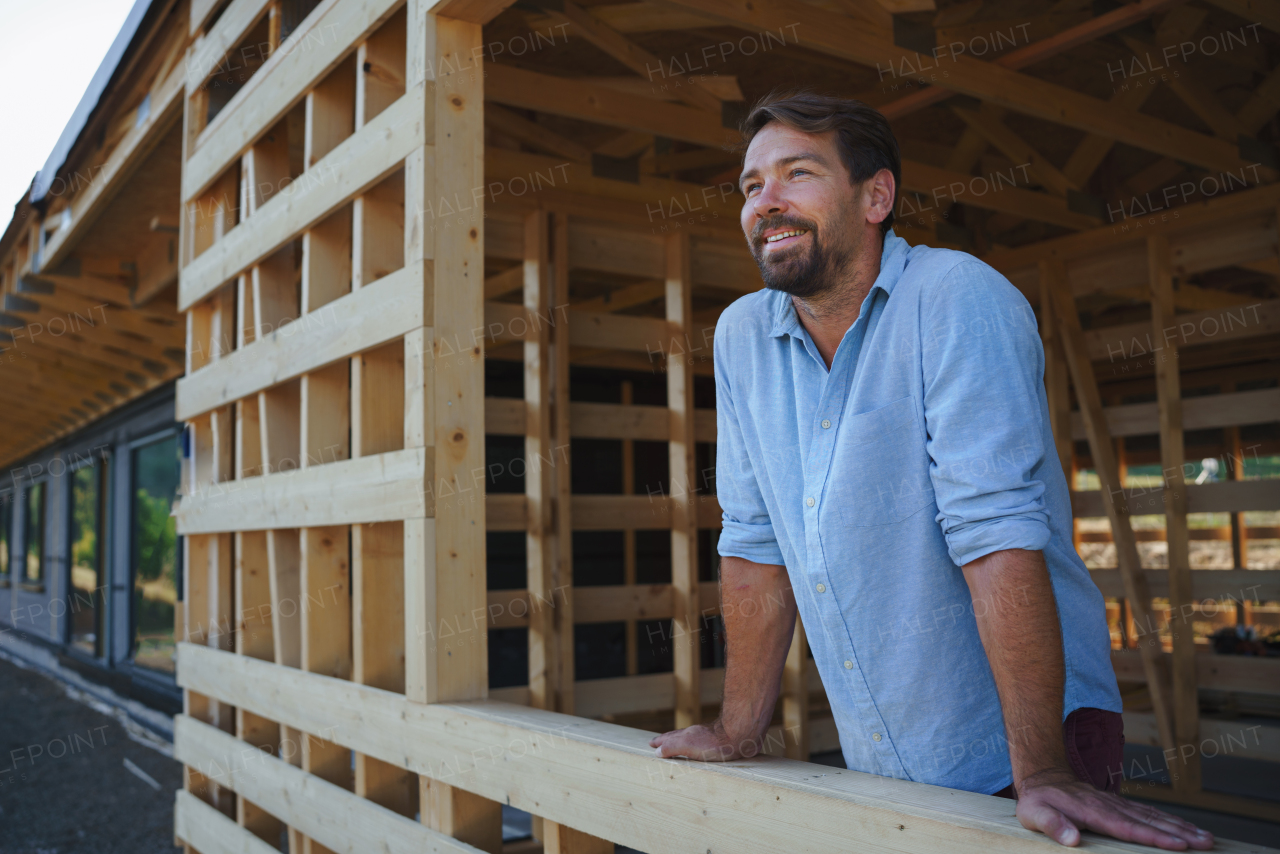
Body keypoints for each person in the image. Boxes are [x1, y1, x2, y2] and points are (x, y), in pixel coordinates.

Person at [649, 91, 1213, 851]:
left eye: (798, 174)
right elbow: (754, 543)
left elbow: (995, 535)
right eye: (751, 186)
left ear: (876, 195)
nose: (766, 202)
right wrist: (739, 731)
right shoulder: (742, 336)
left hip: (1025, 742)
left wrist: (1042, 771)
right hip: (882, 746)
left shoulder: (955, 298)